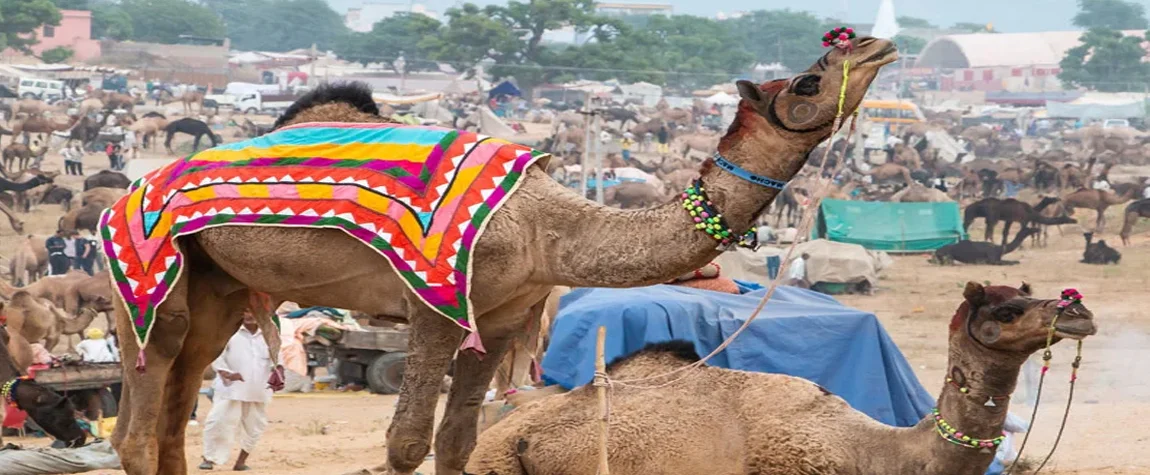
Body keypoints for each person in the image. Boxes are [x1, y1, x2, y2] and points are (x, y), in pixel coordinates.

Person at [200, 311, 275, 471]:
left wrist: (279, 372)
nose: (250, 315)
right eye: (246, 311)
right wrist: (225, 372)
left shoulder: (269, 334)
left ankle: (240, 462)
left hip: (259, 389)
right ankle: (208, 459)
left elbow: (278, 358)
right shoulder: (229, 332)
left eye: (254, 312)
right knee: (218, 422)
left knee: (255, 427)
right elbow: (217, 355)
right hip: (231, 389)